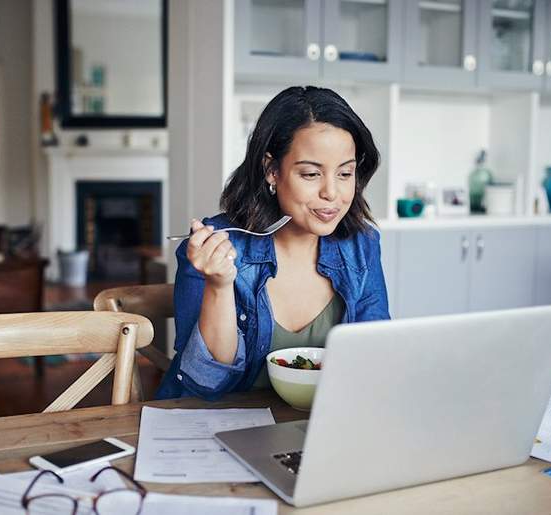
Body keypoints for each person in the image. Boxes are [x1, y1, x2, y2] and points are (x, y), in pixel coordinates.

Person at [156, 86, 390, 400]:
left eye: (345, 173)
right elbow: (206, 384)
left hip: (317, 426)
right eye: (310, 174)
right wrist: (219, 286)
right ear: (272, 170)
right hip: (220, 426)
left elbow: (375, 358)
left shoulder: (361, 246)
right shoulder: (216, 248)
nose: (332, 193)